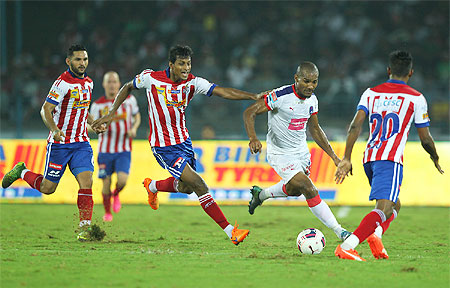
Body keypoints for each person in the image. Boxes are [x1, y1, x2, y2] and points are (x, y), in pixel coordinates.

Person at [92, 45, 264, 246]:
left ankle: (153, 186)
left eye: (188, 63)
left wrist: (252, 96)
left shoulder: (193, 83)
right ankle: (231, 231)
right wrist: (112, 113)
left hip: (184, 143)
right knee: (200, 185)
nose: (186, 68)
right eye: (181, 64)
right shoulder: (151, 78)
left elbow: (222, 92)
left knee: (187, 188)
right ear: (171, 65)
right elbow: (127, 87)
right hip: (163, 147)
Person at [334, 50, 444, 261]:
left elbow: (355, 126)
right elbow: (426, 139)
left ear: (388, 70)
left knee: (394, 204)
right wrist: (435, 157)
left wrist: (347, 158)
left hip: (370, 157)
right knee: (384, 208)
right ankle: (347, 246)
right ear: (410, 73)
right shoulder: (416, 98)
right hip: (390, 159)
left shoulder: (370, 93)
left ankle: (375, 235)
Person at [1, 45, 106, 241]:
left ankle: (85, 228)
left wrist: (94, 124)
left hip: (81, 142)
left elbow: (82, 110)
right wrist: (55, 130)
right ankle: (21, 171)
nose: (82, 63)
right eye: (78, 60)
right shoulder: (62, 83)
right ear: (69, 61)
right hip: (60, 145)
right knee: (48, 188)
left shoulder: (89, 83)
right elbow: (46, 109)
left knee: (87, 181)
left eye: (84, 59)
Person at [244, 62, 351, 241]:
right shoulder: (279, 96)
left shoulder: (313, 100)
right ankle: (340, 231)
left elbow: (315, 129)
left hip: (301, 153)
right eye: (306, 81)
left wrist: (334, 157)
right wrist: (253, 138)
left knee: (295, 190)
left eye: (314, 82)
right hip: (280, 154)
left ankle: (260, 195)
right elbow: (249, 112)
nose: (310, 86)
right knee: (308, 188)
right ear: (296, 78)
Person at [90, 71, 141, 222]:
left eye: (115, 82)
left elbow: (137, 116)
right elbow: (90, 125)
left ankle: (116, 194)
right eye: (109, 82)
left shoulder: (130, 100)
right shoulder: (97, 105)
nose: (112, 85)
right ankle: (107, 212)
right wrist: (96, 129)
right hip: (105, 151)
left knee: (122, 181)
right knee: (105, 184)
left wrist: (134, 128)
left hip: (123, 150)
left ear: (119, 84)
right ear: (104, 84)